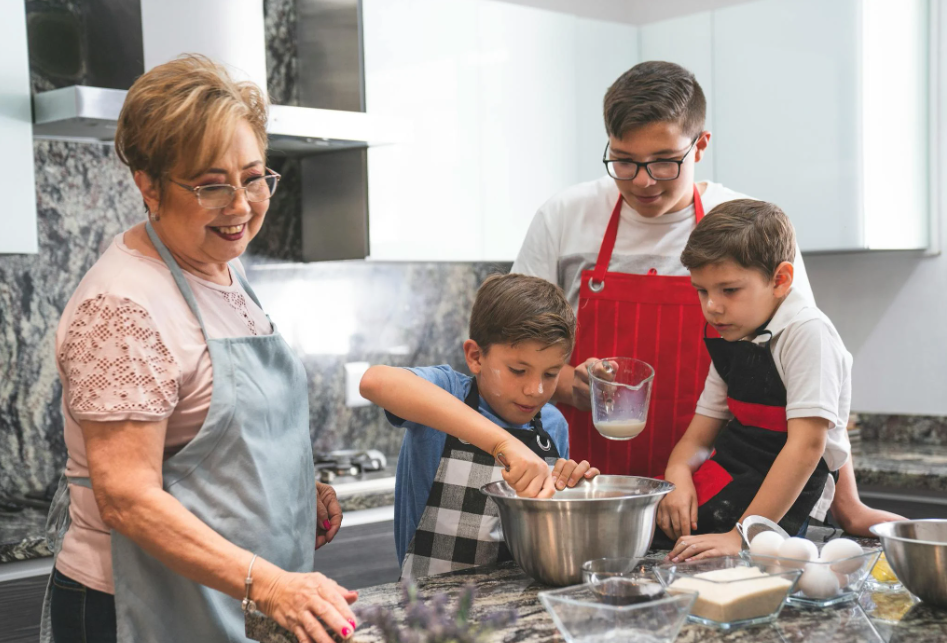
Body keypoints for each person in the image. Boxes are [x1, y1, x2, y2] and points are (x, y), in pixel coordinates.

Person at [511, 60, 903, 535]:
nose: (642, 180)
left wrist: (849, 505)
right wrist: (578, 383)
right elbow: (514, 363)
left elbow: (809, 381)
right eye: (624, 161)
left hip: (707, 492)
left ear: (701, 144)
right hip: (588, 487)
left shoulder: (747, 229)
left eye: (663, 161)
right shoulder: (563, 218)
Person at [42, 55, 356, 643]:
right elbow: (127, 498)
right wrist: (271, 584)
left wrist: (290, 489)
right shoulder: (124, 307)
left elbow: (216, 438)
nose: (241, 206)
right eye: (212, 185)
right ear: (149, 187)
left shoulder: (219, 269)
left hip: (227, 600)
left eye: (255, 176)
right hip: (137, 608)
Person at [360, 274, 598, 579]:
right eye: (518, 370)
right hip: (430, 612)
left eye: (551, 374)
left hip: (517, 605)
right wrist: (504, 444)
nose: (535, 390)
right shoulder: (448, 393)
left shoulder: (552, 426)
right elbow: (375, 381)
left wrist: (571, 495)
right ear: (475, 356)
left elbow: (550, 536)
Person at [658, 199, 850, 560]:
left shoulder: (807, 332)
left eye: (728, 290)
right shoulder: (733, 333)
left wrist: (743, 534)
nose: (712, 306)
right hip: (733, 472)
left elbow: (807, 447)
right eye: (702, 290)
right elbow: (700, 437)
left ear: (780, 281)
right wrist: (678, 474)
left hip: (784, 491)